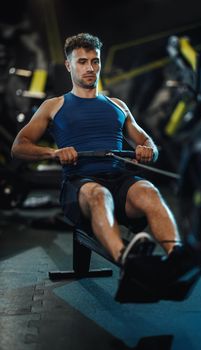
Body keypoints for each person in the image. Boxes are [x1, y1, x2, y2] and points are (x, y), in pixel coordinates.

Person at [11, 33, 183, 273]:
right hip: (80, 184)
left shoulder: (117, 105)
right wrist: (54, 153)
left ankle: (177, 260)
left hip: (120, 181)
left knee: (148, 191)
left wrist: (147, 150)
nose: (90, 68)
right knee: (100, 195)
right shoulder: (54, 105)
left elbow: (147, 142)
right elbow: (19, 146)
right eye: (82, 62)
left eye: (95, 61)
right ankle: (129, 263)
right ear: (69, 65)